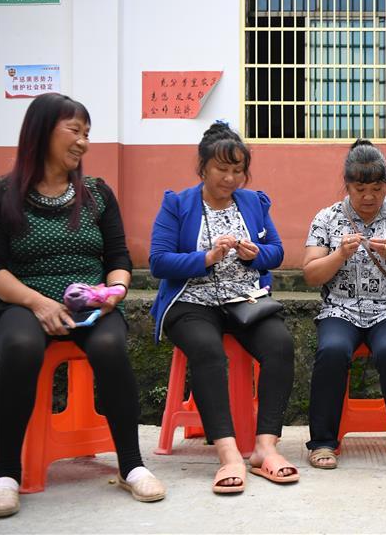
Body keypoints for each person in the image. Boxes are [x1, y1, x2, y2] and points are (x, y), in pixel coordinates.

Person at [0, 93, 165, 518]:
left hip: (91, 304)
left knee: (110, 347)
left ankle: (132, 465)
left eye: (87, 134)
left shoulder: (96, 193)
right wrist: (38, 303)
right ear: (41, 131)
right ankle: (7, 474)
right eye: (74, 131)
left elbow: (118, 257)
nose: (83, 142)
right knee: (22, 347)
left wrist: (115, 291)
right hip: (21, 302)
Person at [149, 121, 296, 494]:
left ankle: (265, 448)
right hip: (191, 301)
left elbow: (277, 253)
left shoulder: (253, 202)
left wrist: (255, 254)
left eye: (237, 170)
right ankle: (229, 454)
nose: (230, 178)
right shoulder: (177, 204)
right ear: (203, 167)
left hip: (245, 300)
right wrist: (205, 258)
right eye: (221, 169)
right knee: (208, 351)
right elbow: (158, 261)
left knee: (280, 344)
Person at [302, 140, 386, 474]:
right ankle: (323, 442)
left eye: (377, 188)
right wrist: (339, 254)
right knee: (331, 351)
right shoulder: (327, 217)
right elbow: (311, 274)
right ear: (347, 186)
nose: (369, 197)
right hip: (339, 310)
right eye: (360, 189)